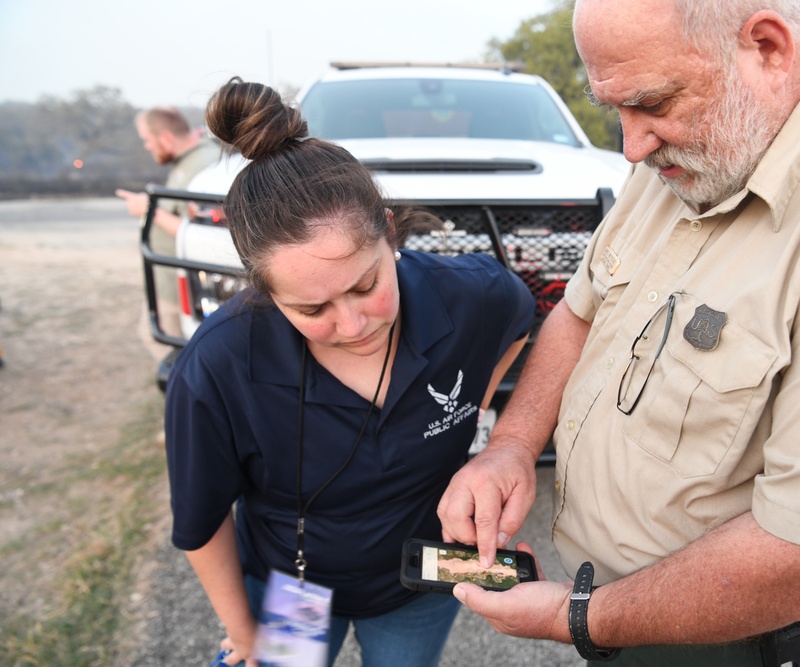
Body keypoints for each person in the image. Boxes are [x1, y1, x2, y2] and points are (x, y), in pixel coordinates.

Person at [437, 1, 800, 665]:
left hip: (745, 643)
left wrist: (578, 617)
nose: (631, 145)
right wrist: (509, 445)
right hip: (619, 614)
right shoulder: (695, 146)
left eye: (652, 102)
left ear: (767, 48)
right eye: (614, 109)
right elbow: (581, 312)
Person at [164, 78, 535, 667]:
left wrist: (482, 423)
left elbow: (519, 324)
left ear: (388, 232)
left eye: (366, 285)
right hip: (295, 592)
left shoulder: (471, 296)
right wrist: (245, 632)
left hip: (420, 582)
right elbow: (201, 522)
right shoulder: (218, 365)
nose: (354, 322)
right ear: (265, 290)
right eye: (312, 310)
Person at [116, 106, 221, 337]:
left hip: (184, 290)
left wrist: (149, 210)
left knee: (164, 345)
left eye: (147, 139)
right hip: (173, 282)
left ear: (165, 137)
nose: (147, 146)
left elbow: (206, 236)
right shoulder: (191, 161)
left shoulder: (201, 166)